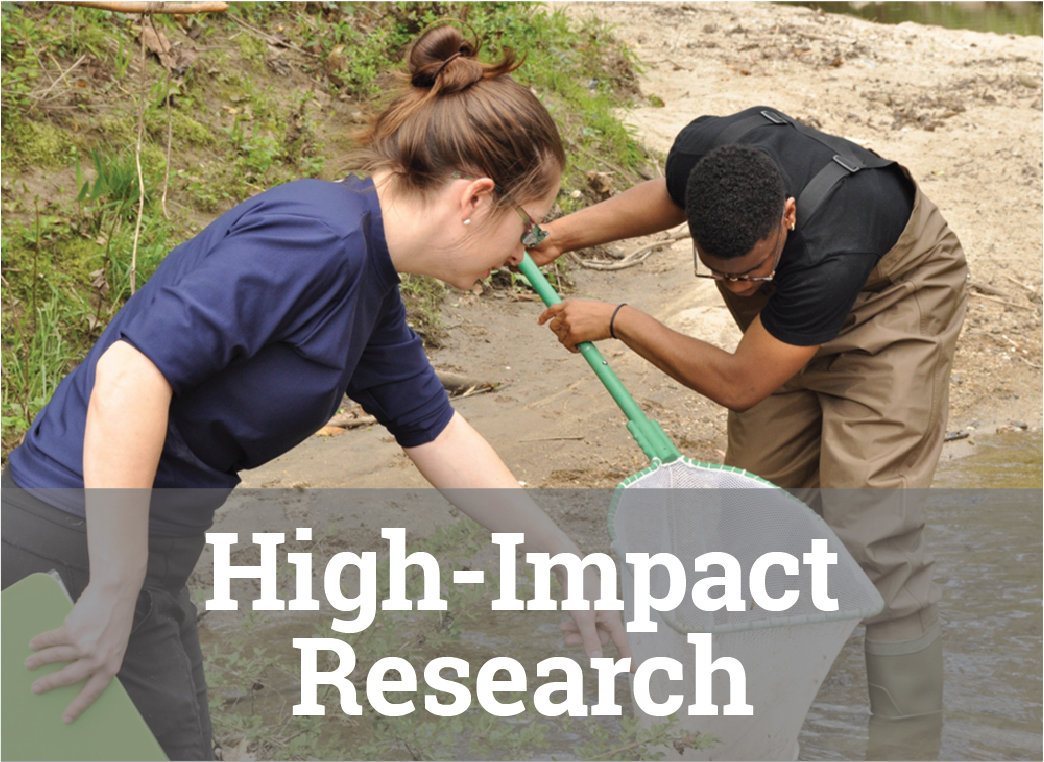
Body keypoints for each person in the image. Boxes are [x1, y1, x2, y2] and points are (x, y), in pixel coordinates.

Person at [1, 26, 630, 760]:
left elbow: (437, 432)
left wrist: (564, 562)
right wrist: (112, 585)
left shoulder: (365, 273)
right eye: (527, 229)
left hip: (134, 557)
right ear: (475, 198)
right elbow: (131, 373)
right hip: (74, 546)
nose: (524, 258)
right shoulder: (316, 241)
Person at [529, 106, 967, 729]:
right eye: (722, 274)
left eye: (750, 271)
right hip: (784, 323)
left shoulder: (834, 241)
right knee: (752, 510)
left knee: (870, 528)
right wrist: (565, 235)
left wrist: (624, 320)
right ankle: (746, 689)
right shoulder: (707, 154)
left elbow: (741, 384)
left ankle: (908, 733)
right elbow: (669, 196)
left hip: (891, 308)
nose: (737, 288)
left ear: (787, 217)